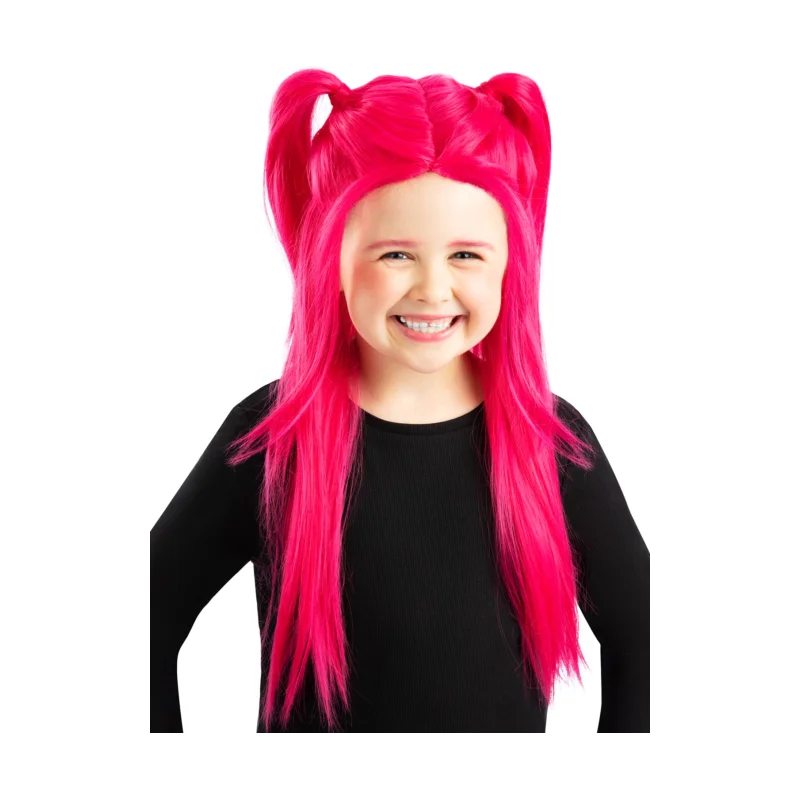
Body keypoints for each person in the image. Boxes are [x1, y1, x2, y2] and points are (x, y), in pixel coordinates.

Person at [144, 68, 656, 736]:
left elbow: (648, 639)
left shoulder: (550, 441)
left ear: (511, 261)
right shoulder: (273, 439)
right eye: (395, 255)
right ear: (329, 254)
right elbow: (142, 619)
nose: (433, 290)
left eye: (466, 254)